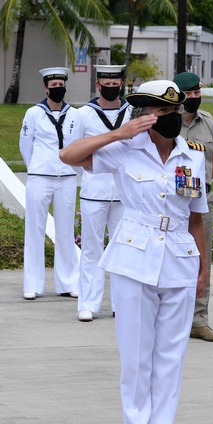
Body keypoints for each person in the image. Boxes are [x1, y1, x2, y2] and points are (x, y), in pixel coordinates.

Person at [59, 79, 207, 424]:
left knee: (170, 360)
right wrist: (118, 133)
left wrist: (204, 270)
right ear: (146, 115)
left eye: (177, 112)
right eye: (165, 112)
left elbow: (196, 217)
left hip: (179, 258)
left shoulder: (192, 155)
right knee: (137, 359)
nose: (174, 118)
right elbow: (68, 154)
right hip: (134, 257)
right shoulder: (123, 149)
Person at [71, 64, 130, 322]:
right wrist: (92, 166)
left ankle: (122, 303)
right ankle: (88, 303)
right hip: (95, 190)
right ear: (97, 85)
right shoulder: (83, 114)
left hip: (126, 192)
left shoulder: (132, 112)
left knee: (123, 250)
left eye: (115, 84)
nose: (111, 88)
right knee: (92, 249)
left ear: (121, 84)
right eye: (106, 84)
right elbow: (72, 151)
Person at [174, 71, 213, 342]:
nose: (193, 98)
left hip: (202, 201)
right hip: (172, 202)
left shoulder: (210, 124)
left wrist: (198, 186)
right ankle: (174, 320)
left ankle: (199, 320)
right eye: (188, 95)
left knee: (201, 261)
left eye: (197, 93)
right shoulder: (167, 124)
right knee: (172, 260)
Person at [19, 67, 79, 301]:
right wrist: (36, 167)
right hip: (39, 177)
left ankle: (67, 283)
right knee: (34, 230)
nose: (58, 89)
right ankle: (32, 284)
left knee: (66, 231)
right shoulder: (33, 113)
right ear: (45, 88)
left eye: (61, 85)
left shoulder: (74, 114)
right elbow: (26, 145)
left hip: (66, 178)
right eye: (53, 86)